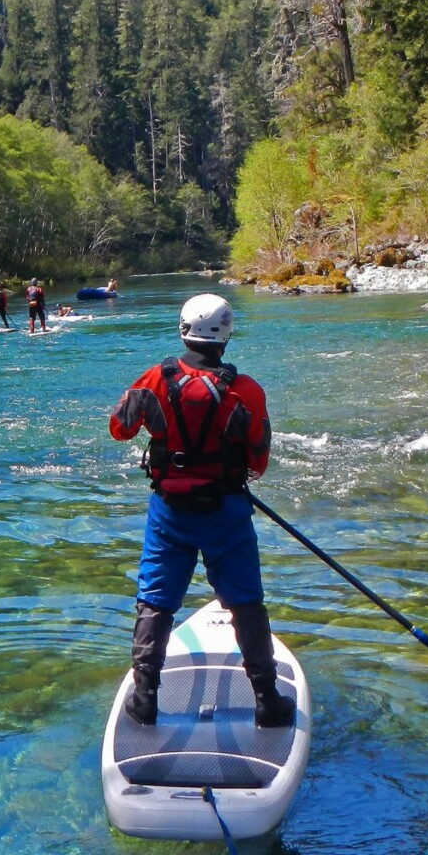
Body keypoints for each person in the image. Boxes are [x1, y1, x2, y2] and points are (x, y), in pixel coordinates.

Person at [107, 293, 292, 729]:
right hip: (226, 513)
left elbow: (120, 428)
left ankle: (146, 698)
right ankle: (266, 699)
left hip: (169, 512)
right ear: (227, 334)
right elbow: (259, 461)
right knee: (246, 602)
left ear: (183, 329)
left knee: (156, 599)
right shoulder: (245, 391)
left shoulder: (154, 379)